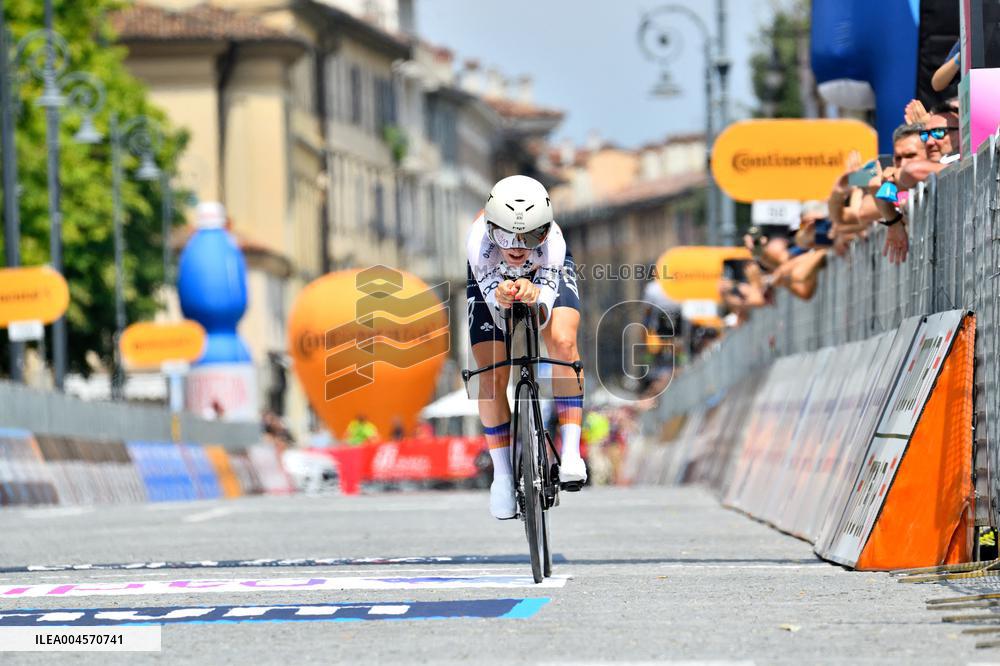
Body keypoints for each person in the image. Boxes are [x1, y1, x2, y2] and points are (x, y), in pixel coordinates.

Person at [466, 175, 586, 519]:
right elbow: (498, 315)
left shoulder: (553, 245)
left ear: (546, 230)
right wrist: (502, 296)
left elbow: (545, 316)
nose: (517, 245)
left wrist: (537, 297)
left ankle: (571, 452)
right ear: (490, 228)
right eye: (505, 234)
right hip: (490, 277)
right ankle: (502, 476)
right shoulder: (478, 244)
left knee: (563, 342)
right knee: (489, 373)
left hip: (544, 274)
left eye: (531, 235)